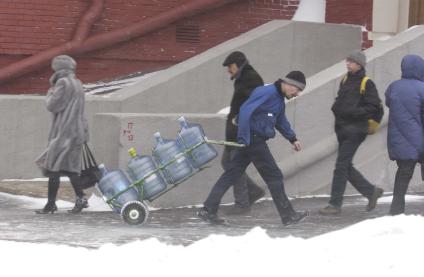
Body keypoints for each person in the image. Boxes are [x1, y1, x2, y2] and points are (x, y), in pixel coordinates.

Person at [197, 71, 309, 226]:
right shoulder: (267, 92)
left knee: (231, 173)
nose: (297, 94)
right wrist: (244, 137)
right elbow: (245, 111)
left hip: (252, 141)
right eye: (297, 89)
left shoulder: (278, 100)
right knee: (274, 176)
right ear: (289, 84)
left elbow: (281, 120)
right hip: (253, 141)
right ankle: (288, 215)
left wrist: (292, 138)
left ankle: (208, 209)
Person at [319, 50, 384, 215]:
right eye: (347, 60)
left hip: (356, 130)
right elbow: (340, 101)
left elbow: (373, 107)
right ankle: (371, 192)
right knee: (345, 165)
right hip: (342, 129)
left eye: (351, 61)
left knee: (341, 166)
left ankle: (335, 204)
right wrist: (337, 108)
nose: (347, 63)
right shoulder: (345, 79)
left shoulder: (367, 83)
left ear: (359, 64)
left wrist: (353, 112)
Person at [35, 55, 89, 214]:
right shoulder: (78, 84)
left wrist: (50, 93)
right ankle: (80, 198)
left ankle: (50, 205)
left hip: (64, 133)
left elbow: (53, 105)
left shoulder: (63, 83)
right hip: (76, 131)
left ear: (58, 69)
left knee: (53, 168)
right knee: (71, 169)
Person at [221, 51, 265, 214]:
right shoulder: (242, 79)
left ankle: (242, 204)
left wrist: (240, 121)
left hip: (241, 130)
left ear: (238, 65)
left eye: (230, 67)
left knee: (234, 165)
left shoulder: (251, 79)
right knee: (227, 162)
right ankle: (253, 191)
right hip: (234, 130)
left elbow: (255, 105)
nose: (228, 70)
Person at [385, 54, 424, 215]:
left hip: (399, 139)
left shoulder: (393, 87)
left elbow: (389, 103)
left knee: (402, 175)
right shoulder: (422, 88)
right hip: (420, 139)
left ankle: (396, 210)